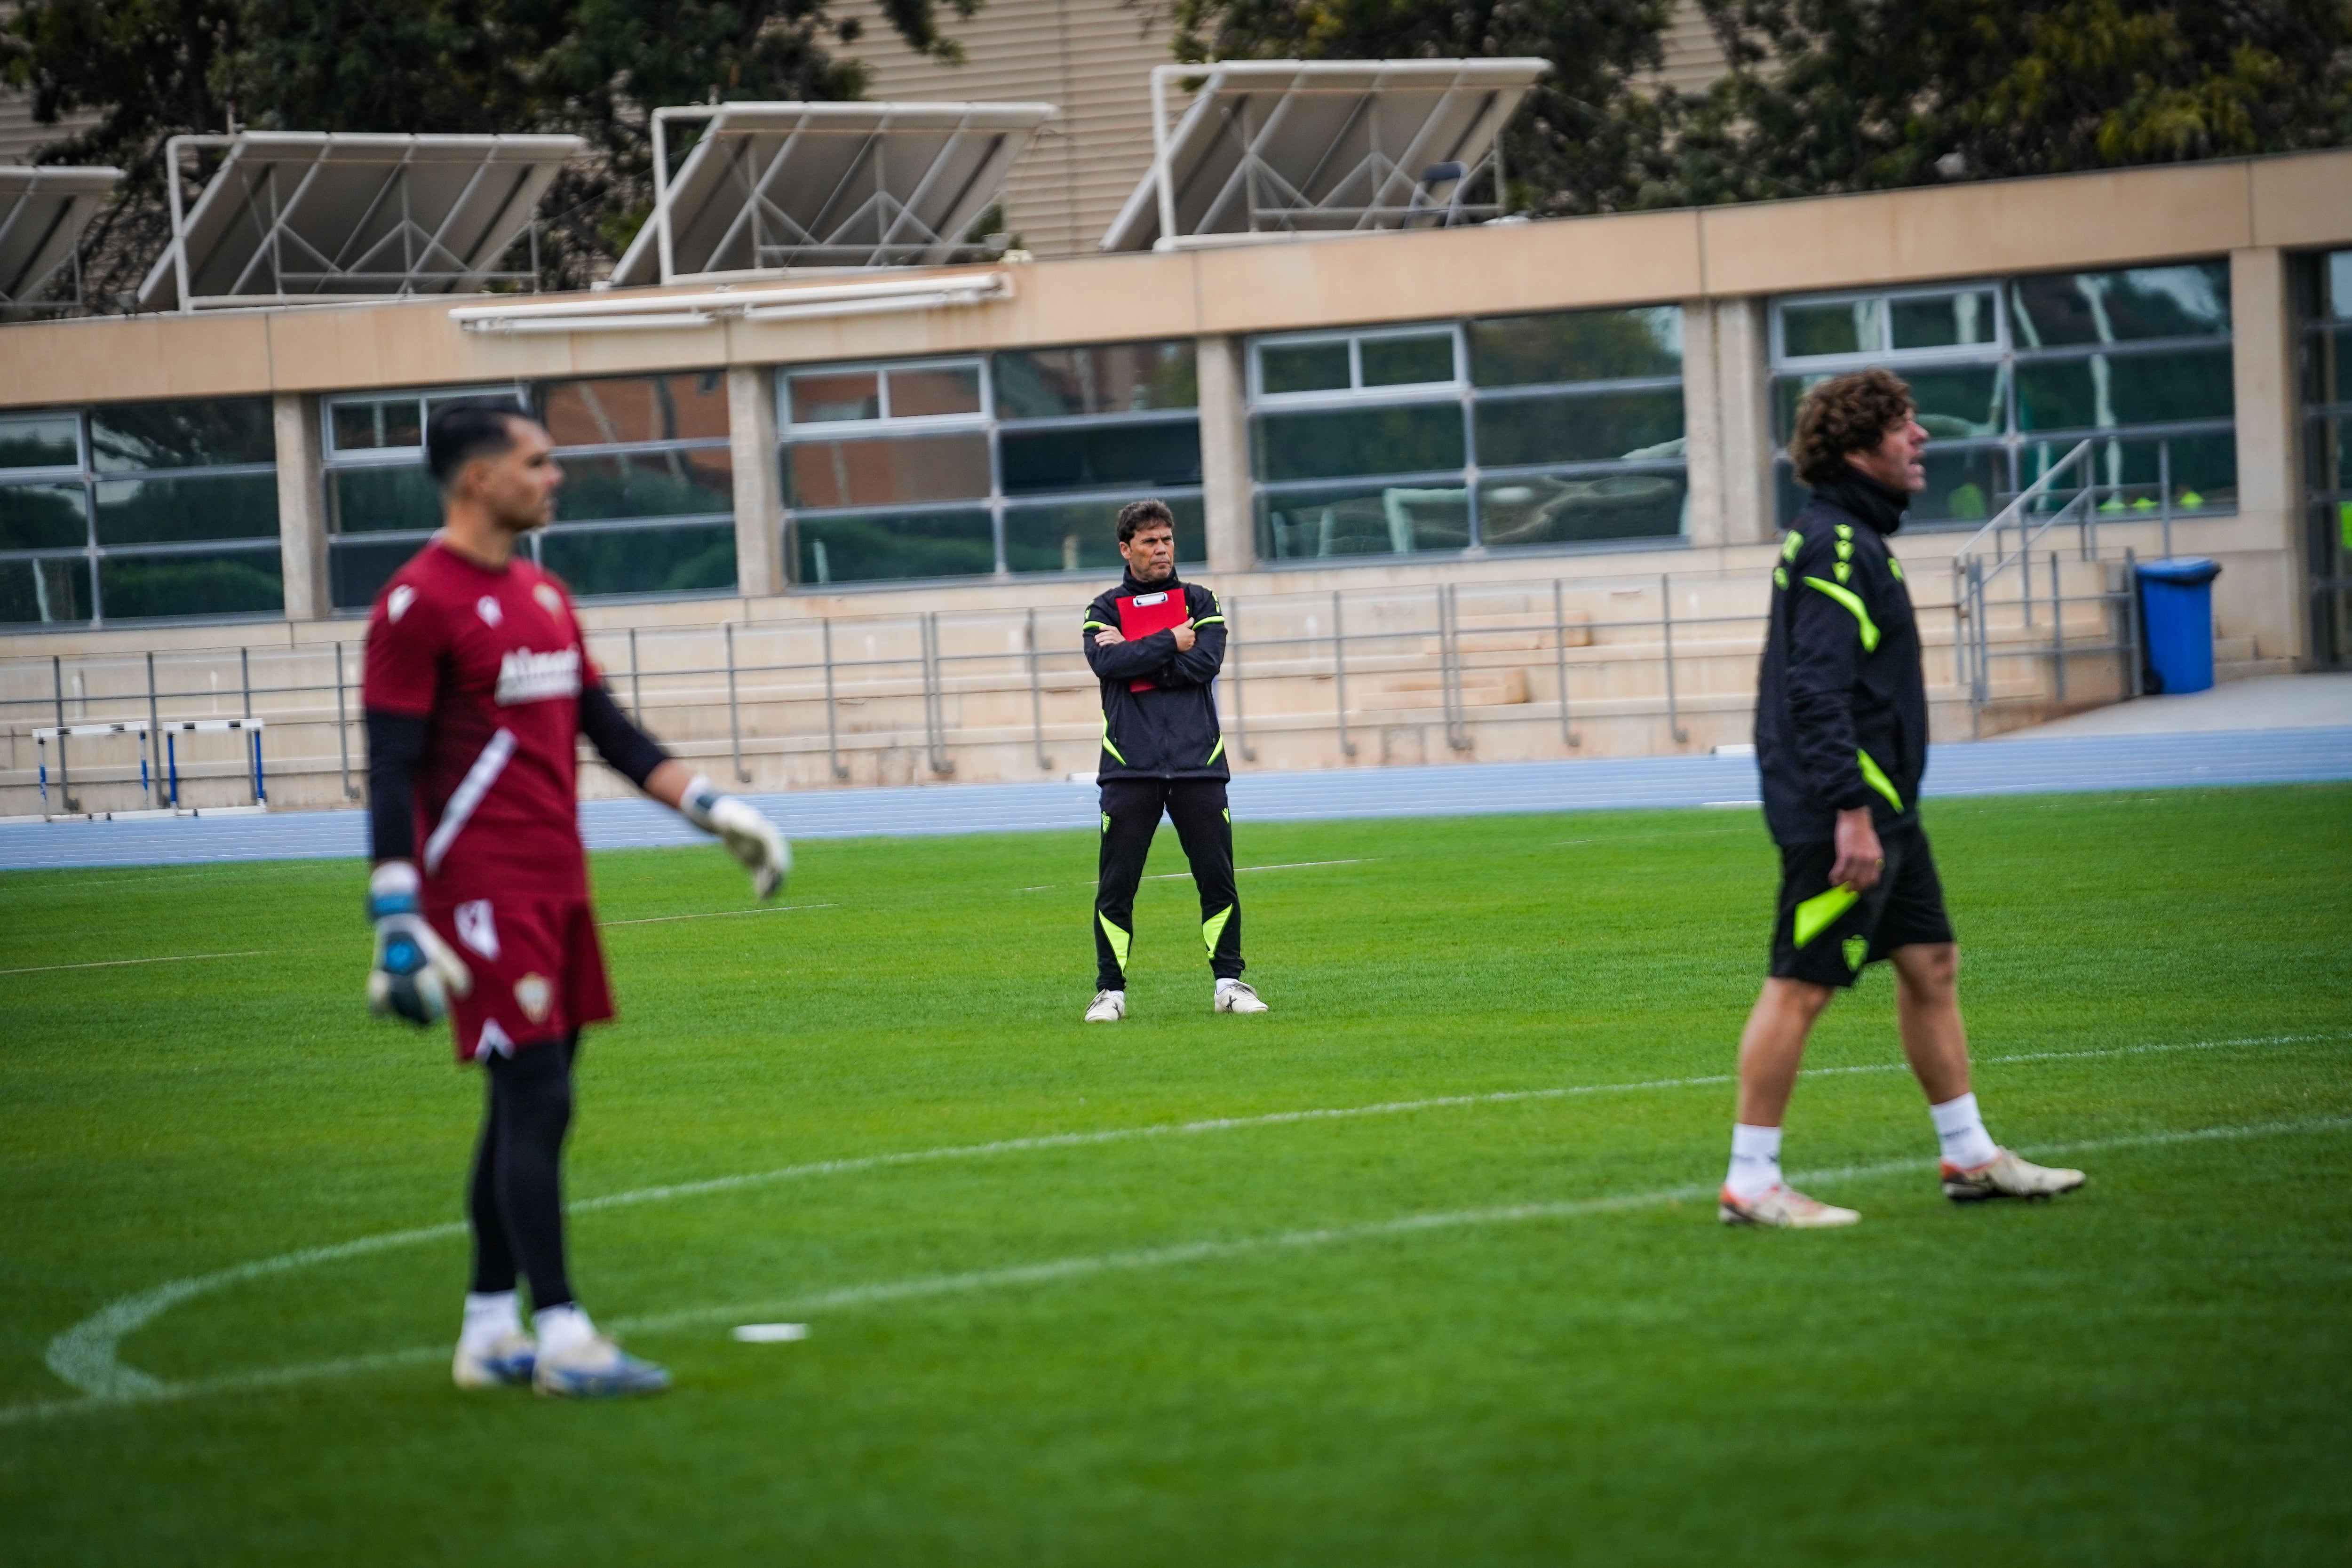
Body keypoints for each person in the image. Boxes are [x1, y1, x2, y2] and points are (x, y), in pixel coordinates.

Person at [361, 398, 789, 1393]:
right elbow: (389, 768)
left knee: (526, 1106)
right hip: (480, 896)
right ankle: (560, 1335)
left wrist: (718, 809)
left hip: (558, 886)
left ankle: (486, 1328)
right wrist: (395, 916)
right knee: (537, 1095)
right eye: (539, 461)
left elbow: (610, 728)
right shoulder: (415, 602)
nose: (556, 477)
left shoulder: (545, 596)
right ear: (479, 478)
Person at [1722, 368, 2086, 1227]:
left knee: (1931, 965)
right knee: (1800, 985)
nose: (1921, 439)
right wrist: (1849, 809)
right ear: (1857, 447)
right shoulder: (1836, 545)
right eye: (1902, 425)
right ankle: (1751, 1178)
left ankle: (1969, 1156)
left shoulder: (1852, 535)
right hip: (1844, 815)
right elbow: (1816, 691)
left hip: (1886, 811)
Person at [1080, 499, 1265, 1022]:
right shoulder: (1102, 608)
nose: (1160, 549)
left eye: (1166, 539)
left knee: (1217, 881)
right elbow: (1106, 662)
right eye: (1148, 541)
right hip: (1128, 768)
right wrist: (1168, 642)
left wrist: (1140, 659)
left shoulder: (1201, 599)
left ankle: (1229, 984)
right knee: (1116, 886)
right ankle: (1109, 992)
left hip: (1198, 765)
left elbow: (1203, 663)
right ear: (1126, 549)